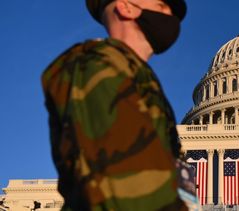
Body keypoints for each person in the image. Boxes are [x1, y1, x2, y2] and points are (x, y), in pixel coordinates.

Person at [41, 0, 188, 210]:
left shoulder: (139, 77)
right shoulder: (96, 67)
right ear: (126, 7)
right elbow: (125, 183)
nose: (171, 16)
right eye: (161, 6)